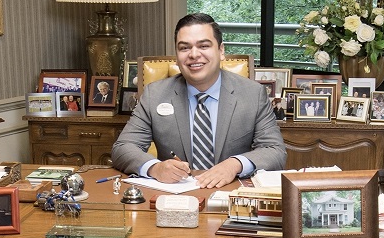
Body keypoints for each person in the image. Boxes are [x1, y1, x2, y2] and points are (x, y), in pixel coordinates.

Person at [111, 12, 286, 189]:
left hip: (231, 194)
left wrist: (234, 164)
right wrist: (155, 168)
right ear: (177, 56)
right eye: (184, 48)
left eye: (203, 46)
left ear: (221, 50)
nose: (194, 55)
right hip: (175, 198)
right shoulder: (155, 95)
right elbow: (123, 147)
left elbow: (275, 151)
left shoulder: (252, 94)